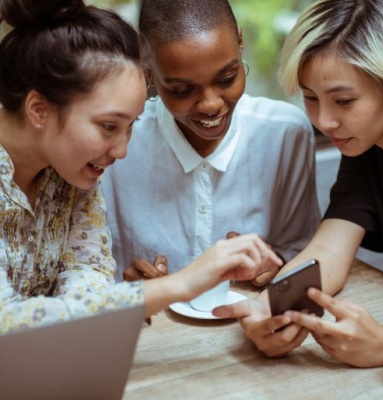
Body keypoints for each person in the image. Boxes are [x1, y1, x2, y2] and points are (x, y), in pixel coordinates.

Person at [0, 0, 277, 336]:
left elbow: (88, 276)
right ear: (39, 109)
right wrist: (181, 284)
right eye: (108, 126)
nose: (121, 150)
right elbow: (7, 322)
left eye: (131, 125)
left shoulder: (69, 171)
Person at [213, 0, 383, 368]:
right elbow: (329, 251)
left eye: (343, 100)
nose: (325, 120)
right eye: (310, 98)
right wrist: (270, 309)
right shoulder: (367, 152)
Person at [102, 0, 320, 285]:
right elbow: (91, 274)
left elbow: (304, 252)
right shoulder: (117, 149)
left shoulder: (285, 134)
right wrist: (127, 286)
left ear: (240, 42)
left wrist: (274, 263)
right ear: (147, 69)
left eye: (227, 78)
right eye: (182, 90)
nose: (211, 105)